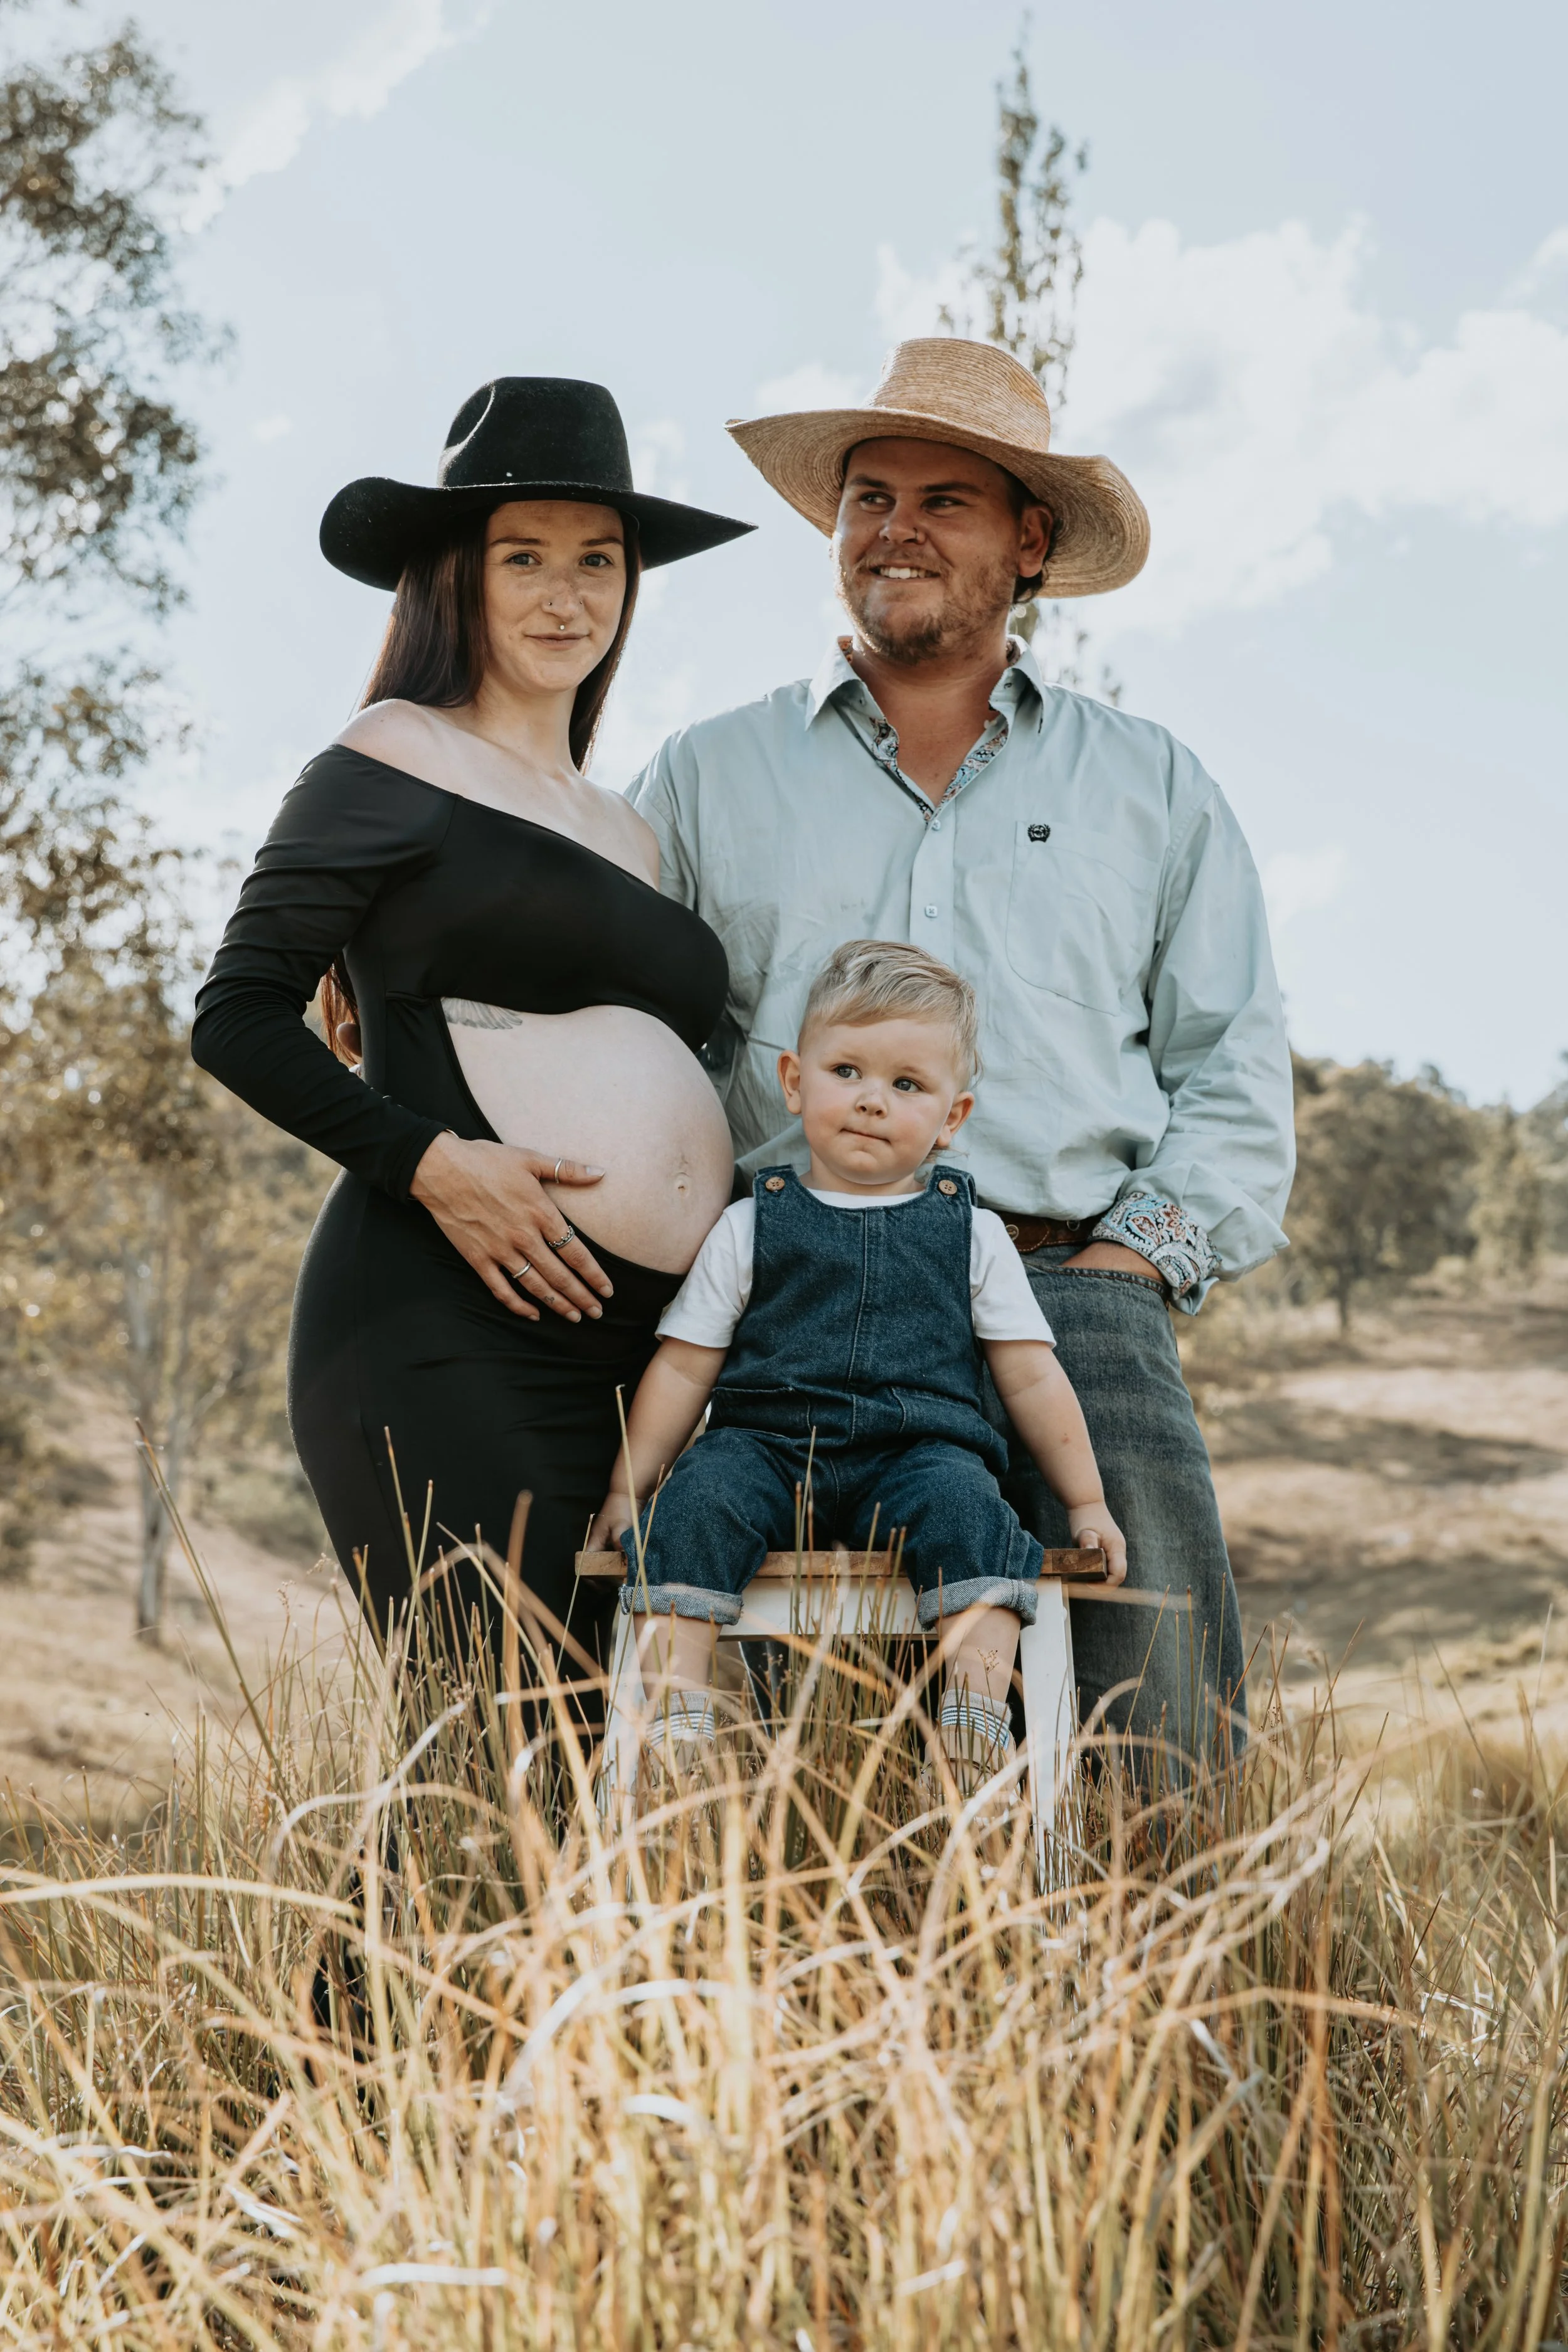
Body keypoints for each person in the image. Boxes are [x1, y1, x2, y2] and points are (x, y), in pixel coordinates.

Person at [630, 337, 1295, 1761]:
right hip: (791, 1296)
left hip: (1074, 1293)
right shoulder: (702, 775)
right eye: (868, 495)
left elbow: (1231, 1065)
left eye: (946, 499)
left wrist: (1128, 1260)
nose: (895, 528)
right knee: (817, 1750)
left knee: (1153, 1720)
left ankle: (1165, 1977)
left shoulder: (1150, 784)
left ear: (1030, 540)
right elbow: (618, 1017)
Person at [191, 377, 753, 1664]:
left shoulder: (631, 829)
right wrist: (434, 1166)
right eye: (525, 558)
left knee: (607, 1768)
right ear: (456, 574)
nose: (568, 596)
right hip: (444, 1319)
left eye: (598, 562)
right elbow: (237, 1016)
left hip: (638, 1361)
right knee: (497, 1759)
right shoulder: (393, 753)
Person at [589, 940, 1127, 1786]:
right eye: (848, 1071)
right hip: (764, 1446)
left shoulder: (969, 1231)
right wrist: (629, 1488)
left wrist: (1086, 1500)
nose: (873, 1100)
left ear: (952, 1117)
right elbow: (685, 1368)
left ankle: (974, 1725)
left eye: (907, 1085)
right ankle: (678, 1734)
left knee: (975, 1515)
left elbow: (1029, 1375)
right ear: (795, 1082)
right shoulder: (752, 1223)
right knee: (692, 1509)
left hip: (919, 1451)